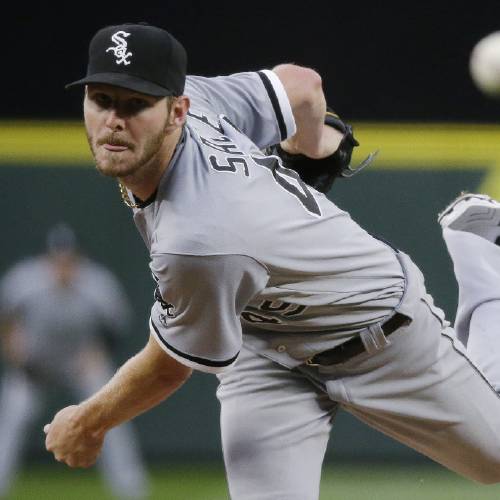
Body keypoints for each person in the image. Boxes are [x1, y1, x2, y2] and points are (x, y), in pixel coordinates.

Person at [44, 21, 500, 500]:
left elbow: (167, 369)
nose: (115, 119)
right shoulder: (198, 104)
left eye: (136, 104)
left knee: (494, 459)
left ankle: (479, 250)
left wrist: (88, 422)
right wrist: (310, 144)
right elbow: (303, 84)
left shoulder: (198, 238)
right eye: (101, 100)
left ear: (178, 110)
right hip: (264, 343)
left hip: (378, 333)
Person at [0, 223, 149, 499]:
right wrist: (12, 345)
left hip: (80, 364)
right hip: (34, 365)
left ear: (79, 258)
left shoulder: (97, 283)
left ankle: (131, 489)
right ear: (47, 258)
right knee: (11, 418)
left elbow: (116, 328)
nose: (63, 266)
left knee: (113, 418)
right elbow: (7, 316)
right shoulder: (26, 280)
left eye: (69, 260)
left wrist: (99, 351)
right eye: (57, 259)